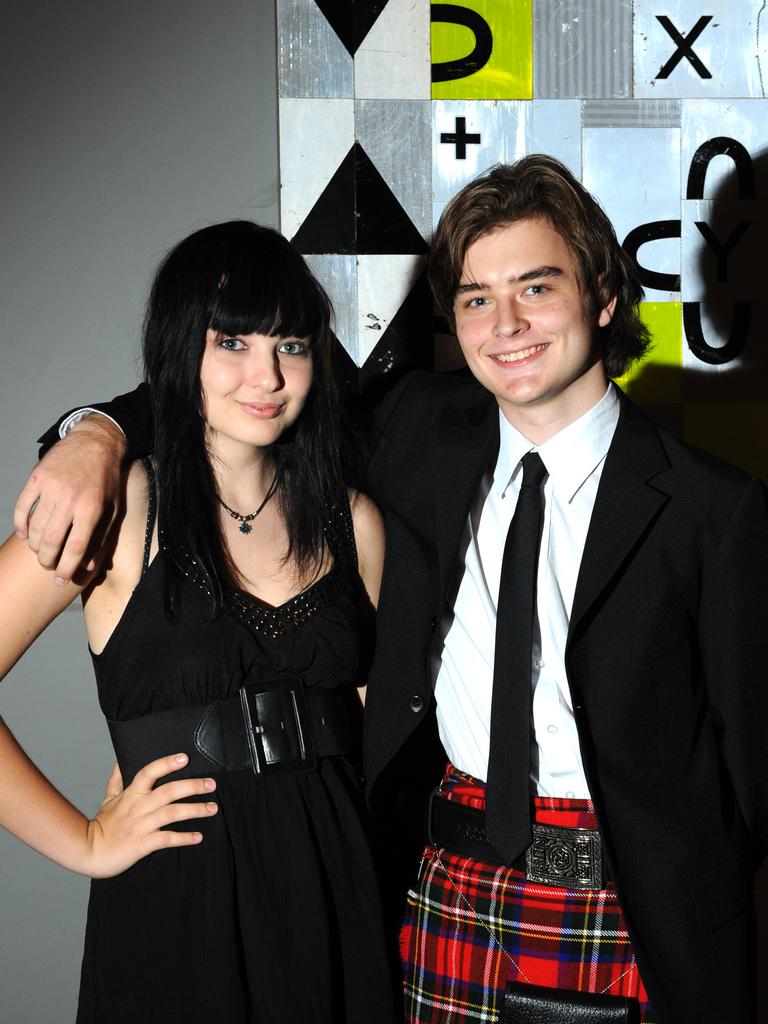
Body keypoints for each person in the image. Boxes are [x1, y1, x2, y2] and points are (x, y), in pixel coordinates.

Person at [16, 157, 768, 1023]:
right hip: (438, 888)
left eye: (537, 286)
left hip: (623, 911)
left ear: (603, 296)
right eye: (477, 298)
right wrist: (98, 434)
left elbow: (751, 777)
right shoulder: (419, 434)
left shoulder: (715, 509)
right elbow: (239, 391)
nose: (507, 324)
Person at [3, 220, 394, 1023]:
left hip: (337, 890)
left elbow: (368, 721)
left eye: (289, 345)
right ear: (185, 348)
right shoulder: (124, 504)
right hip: (181, 899)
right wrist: (84, 842)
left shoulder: (354, 521)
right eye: (234, 342)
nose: (268, 375)